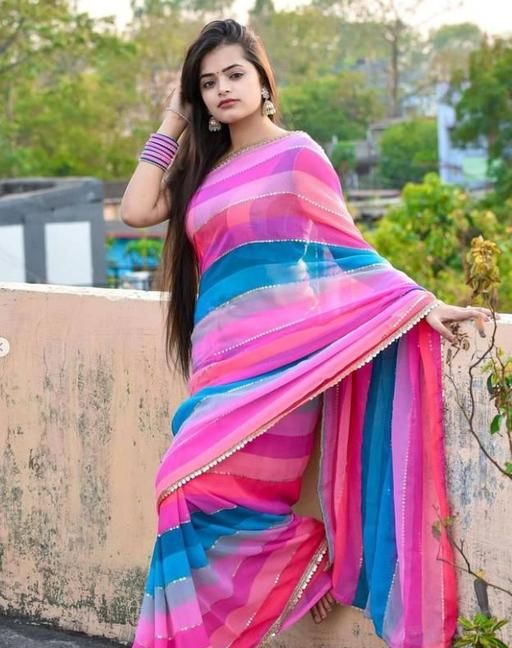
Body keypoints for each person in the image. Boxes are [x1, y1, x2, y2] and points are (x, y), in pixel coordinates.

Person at [121, 18, 492, 648]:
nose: (222, 89)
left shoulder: (298, 155)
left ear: (264, 82)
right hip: (217, 371)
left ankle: (302, 558)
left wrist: (420, 304)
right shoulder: (203, 170)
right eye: (207, 83)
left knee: (190, 487)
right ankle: (283, 577)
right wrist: (171, 122)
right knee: (179, 494)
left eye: (234, 74)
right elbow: (135, 210)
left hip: (284, 373)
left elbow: (348, 253)